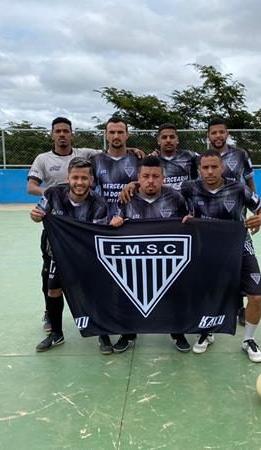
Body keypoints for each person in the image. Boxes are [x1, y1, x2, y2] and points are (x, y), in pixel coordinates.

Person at [181, 149, 261, 362]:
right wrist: (133, 185)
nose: (210, 171)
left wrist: (260, 218)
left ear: (222, 168)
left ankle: (248, 339)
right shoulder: (189, 188)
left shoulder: (238, 188)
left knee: (255, 296)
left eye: (214, 166)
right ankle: (207, 332)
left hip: (240, 247)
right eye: (205, 167)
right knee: (206, 294)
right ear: (199, 170)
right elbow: (163, 196)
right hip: (207, 250)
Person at [27, 117, 102, 334]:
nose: (62, 135)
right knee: (49, 274)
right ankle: (50, 314)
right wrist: (54, 194)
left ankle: (96, 321)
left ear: (72, 134)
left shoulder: (83, 154)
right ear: (52, 134)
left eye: (66, 131)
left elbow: (109, 152)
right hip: (56, 225)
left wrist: (134, 150)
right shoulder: (43, 159)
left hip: (81, 221)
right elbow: (31, 187)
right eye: (58, 131)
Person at [109, 156, 191, 352]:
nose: (151, 181)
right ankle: (128, 333)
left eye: (155, 176)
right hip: (135, 260)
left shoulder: (175, 197)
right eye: (146, 176)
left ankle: (177, 331)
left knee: (174, 294)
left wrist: (191, 220)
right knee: (127, 294)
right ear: (138, 178)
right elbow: (112, 222)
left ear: (163, 178)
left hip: (167, 259)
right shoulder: (126, 198)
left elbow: (188, 222)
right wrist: (114, 221)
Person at [29, 158, 110, 352]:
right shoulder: (53, 194)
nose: (79, 182)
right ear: (68, 178)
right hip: (59, 256)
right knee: (53, 291)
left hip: (87, 256)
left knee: (95, 292)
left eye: (84, 178)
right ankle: (56, 334)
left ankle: (103, 333)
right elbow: (38, 213)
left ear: (91, 180)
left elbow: (94, 236)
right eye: (75, 177)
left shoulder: (99, 203)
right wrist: (35, 216)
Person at [91, 116, 143, 353]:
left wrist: (134, 184)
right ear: (106, 135)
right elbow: (85, 188)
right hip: (103, 226)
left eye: (120, 132)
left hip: (131, 226)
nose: (116, 136)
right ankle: (102, 332)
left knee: (129, 281)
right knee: (101, 281)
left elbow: (150, 181)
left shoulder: (137, 158)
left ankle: (128, 330)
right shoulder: (95, 160)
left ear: (127, 135)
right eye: (111, 132)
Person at [207, 117, 258, 325]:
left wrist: (254, 210)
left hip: (236, 220)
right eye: (214, 132)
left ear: (227, 133)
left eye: (221, 132)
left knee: (238, 262)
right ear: (208, 135)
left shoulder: (241, 155)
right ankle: (222, 306)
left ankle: (241, 306)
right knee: (218, 265)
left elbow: (250, 182)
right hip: (211, 220)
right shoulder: (202, 158)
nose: (218, 135)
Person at [156, 123, 198, 190]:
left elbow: (211, 159)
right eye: (164, 137)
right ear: (158, 141)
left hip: (185, 196)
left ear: (177, 140)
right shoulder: (152, 160)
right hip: (163, 196)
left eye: (172, 137)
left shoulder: (189, 155)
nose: (168, 140)